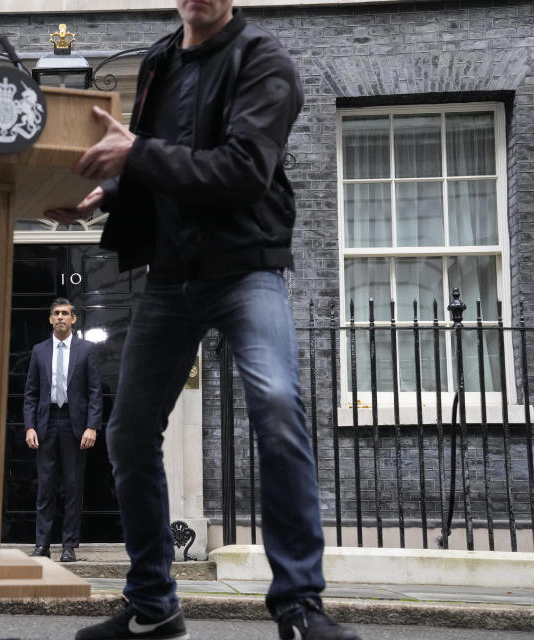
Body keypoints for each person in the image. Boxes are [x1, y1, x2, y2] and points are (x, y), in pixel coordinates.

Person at [47, 1, 360, 639]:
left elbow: (243, 171)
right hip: (170, 275)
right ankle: (154, 603)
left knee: (276, 407)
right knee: (128, 433)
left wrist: (134, 154)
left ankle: (300, 605)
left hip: (245, 269)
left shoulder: (265, 61)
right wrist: (99, 197)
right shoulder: (161, 61)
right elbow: (149, 167)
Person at [23, 298, 102, 563]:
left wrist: (92, 426)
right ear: (50, 319)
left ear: (73, 319)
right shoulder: (39, 351)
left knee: (72, 486)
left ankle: (69, 545)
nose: (60, 317)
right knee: (45, 488)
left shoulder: (87, 350)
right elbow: (31, 393)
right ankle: (42, 545)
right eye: (55, 313)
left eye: (64, 313)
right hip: (46, 424)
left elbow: (94, 393)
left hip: (74, 424)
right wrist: (29, 426)